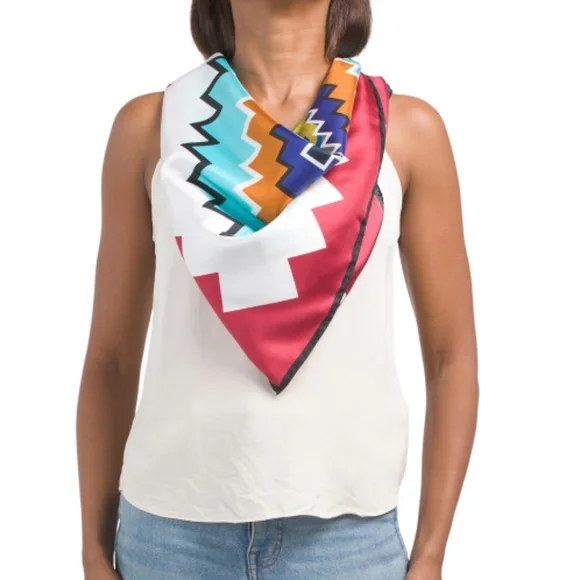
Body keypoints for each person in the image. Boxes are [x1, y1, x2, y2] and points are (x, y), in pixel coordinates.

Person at [76, 0, 479, 579]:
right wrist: (93, 553)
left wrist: (432, 555)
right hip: (170, 536)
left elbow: (451, 357)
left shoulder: (406, 131)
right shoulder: (151, 129)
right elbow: (111, 359)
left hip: (347, 543)